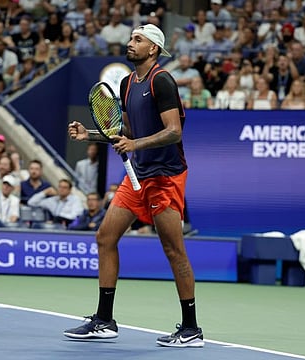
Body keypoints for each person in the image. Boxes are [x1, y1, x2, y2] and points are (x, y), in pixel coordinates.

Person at [65, 24, 203, 347]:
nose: (131, 43)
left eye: (138, 40)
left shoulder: (162, 81)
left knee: (173, 249)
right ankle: (104, 320)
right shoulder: (127, 83)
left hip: (165, 176)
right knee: (105, 236)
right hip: (137, 175)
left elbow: (173, 131)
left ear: (153, 48)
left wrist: (136, 146)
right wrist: (90, 134)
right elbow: (123, 130)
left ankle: (191, 328)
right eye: (131, 38)